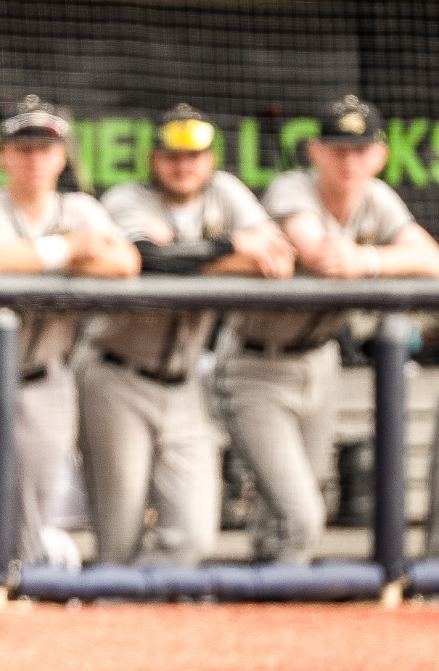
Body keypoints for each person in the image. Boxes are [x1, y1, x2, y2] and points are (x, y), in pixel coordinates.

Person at [216, 96, 439, 564]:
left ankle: (263, 613)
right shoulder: (292, 187)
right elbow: (322, 256)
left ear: (379, 154)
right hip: (256, 363)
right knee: (301, 516)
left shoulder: (376, 196)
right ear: (315, 151)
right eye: (338, 149)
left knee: (286, 513)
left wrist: (371, 259)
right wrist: (367, 261)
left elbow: (432, 258)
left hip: (318, 362)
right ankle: (270, 605)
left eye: (360, 150)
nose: (349, 161)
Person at [83, 104, 293, 567]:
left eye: (194, 156)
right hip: (117, 374)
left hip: (185, 383)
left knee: (195, 535)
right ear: (154, 159)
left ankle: (143, 608)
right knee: (118, 536)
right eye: (172, 156)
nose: (184, 166)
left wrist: (183, 253)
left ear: (211, 158)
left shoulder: (226, 193)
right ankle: (115, 617)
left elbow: (277, 257)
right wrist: (232, 247)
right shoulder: (126, 198)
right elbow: (146, 259)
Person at [0, 98, 136, 569]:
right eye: (23, 148)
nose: (34, 159)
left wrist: (28, 255)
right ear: (3, 155)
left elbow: (125, 264)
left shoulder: (81, 206)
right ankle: (7, 557)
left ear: (62, 157)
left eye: (45, 149)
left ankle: (21, 575)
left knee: (32, 493)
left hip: (47, 378)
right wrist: (68, 250)